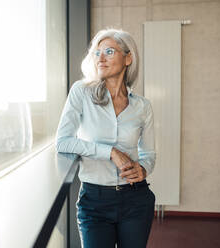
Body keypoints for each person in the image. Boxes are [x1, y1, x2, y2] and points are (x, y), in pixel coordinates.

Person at [55, 28, 156, 248]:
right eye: (96, 52)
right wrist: (110, 152)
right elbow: (63, 141)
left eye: (109, 51)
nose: (100, 57)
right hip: (94, 202)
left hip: (136, 200)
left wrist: (144, 168)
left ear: (128, 58)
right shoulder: (80, 92)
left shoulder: (142, 106)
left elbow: (149, 153)